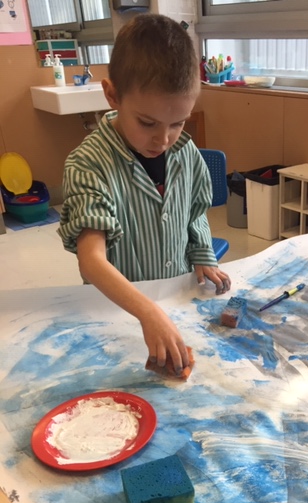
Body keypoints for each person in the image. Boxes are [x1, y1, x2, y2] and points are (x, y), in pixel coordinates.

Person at [58, 13, 231, 376]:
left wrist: (201, 252)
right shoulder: (88, 165)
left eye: (178, 122)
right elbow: (91, 260)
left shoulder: (185, 152)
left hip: (175, 300)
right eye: (147, 123)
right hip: (118, 313)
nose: (163, 139)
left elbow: (193, 211)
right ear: (112, 95)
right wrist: (148, 312)